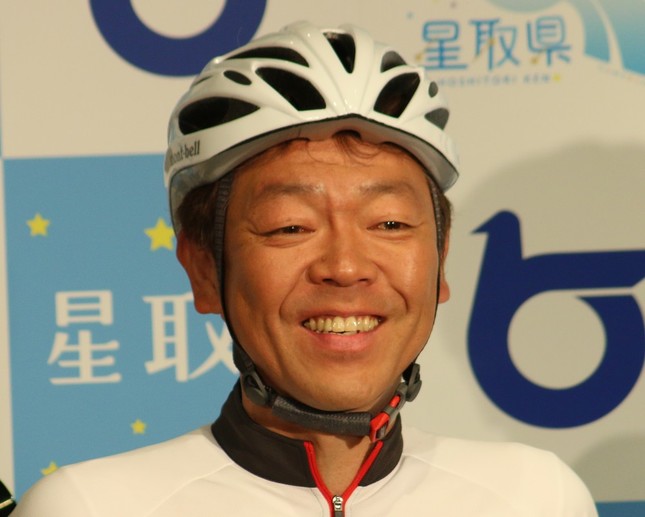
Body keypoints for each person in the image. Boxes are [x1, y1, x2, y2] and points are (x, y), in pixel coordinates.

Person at [13, 21, 597, 516]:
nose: (345, 267)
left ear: (440, 262)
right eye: (289, 227)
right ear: (204, 270)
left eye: (389, 223)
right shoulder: (92, 506)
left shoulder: (535, 497)